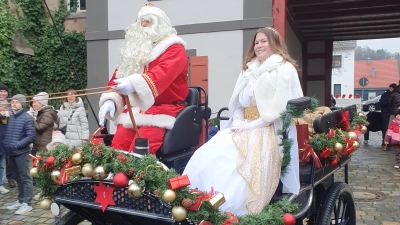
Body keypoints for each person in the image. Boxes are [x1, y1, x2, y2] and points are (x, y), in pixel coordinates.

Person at [183, 27, 303, 216]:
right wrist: (238, 119)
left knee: (236, 166)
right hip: (243, 126)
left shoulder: (284, 69)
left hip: (267, 129)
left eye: (264, 41)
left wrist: (252, 125)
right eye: (256, 42)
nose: (259, 45)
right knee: (209, 154)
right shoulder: (249, 70)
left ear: (275, 43)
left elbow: (280, 110)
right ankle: (199, 201)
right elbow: (239, 103)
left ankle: (228, 209)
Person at [98, 3, 188, 154]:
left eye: (149, 21)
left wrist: (134, 84)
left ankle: (138, 178)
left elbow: (162, 73)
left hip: (162, 109)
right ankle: (112, 178)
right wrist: (111, 100)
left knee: (139, 154)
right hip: (135, 111)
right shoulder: (135, 51)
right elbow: (119, 77)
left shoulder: (175, 49)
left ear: (161, 26)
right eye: (141, 21)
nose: (144, 24)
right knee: (117, 149)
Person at [4, 94, 36, 214]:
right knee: (17, 178)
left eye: (17, 101)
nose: (14, 103)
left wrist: (17, 145)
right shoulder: (11, 117)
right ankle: (20, 200)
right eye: (12, 101)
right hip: (10, 152)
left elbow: (31, 136)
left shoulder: (27, 118)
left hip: (21, 152)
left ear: (22, 103)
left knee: (25, 178)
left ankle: (27, 204)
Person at [0, 83, 16, 188]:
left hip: (9, 134)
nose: (3, 93)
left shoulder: (11, 103)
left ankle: (10, 178)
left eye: (5, 91)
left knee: (9, 159)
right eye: (1, 91)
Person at [0, 100, 10, 194]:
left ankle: (0, 185)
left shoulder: (6, 116)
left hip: (2, 144)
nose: (4, 109)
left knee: (1, 166)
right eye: (3, 106)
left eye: (6, 107)